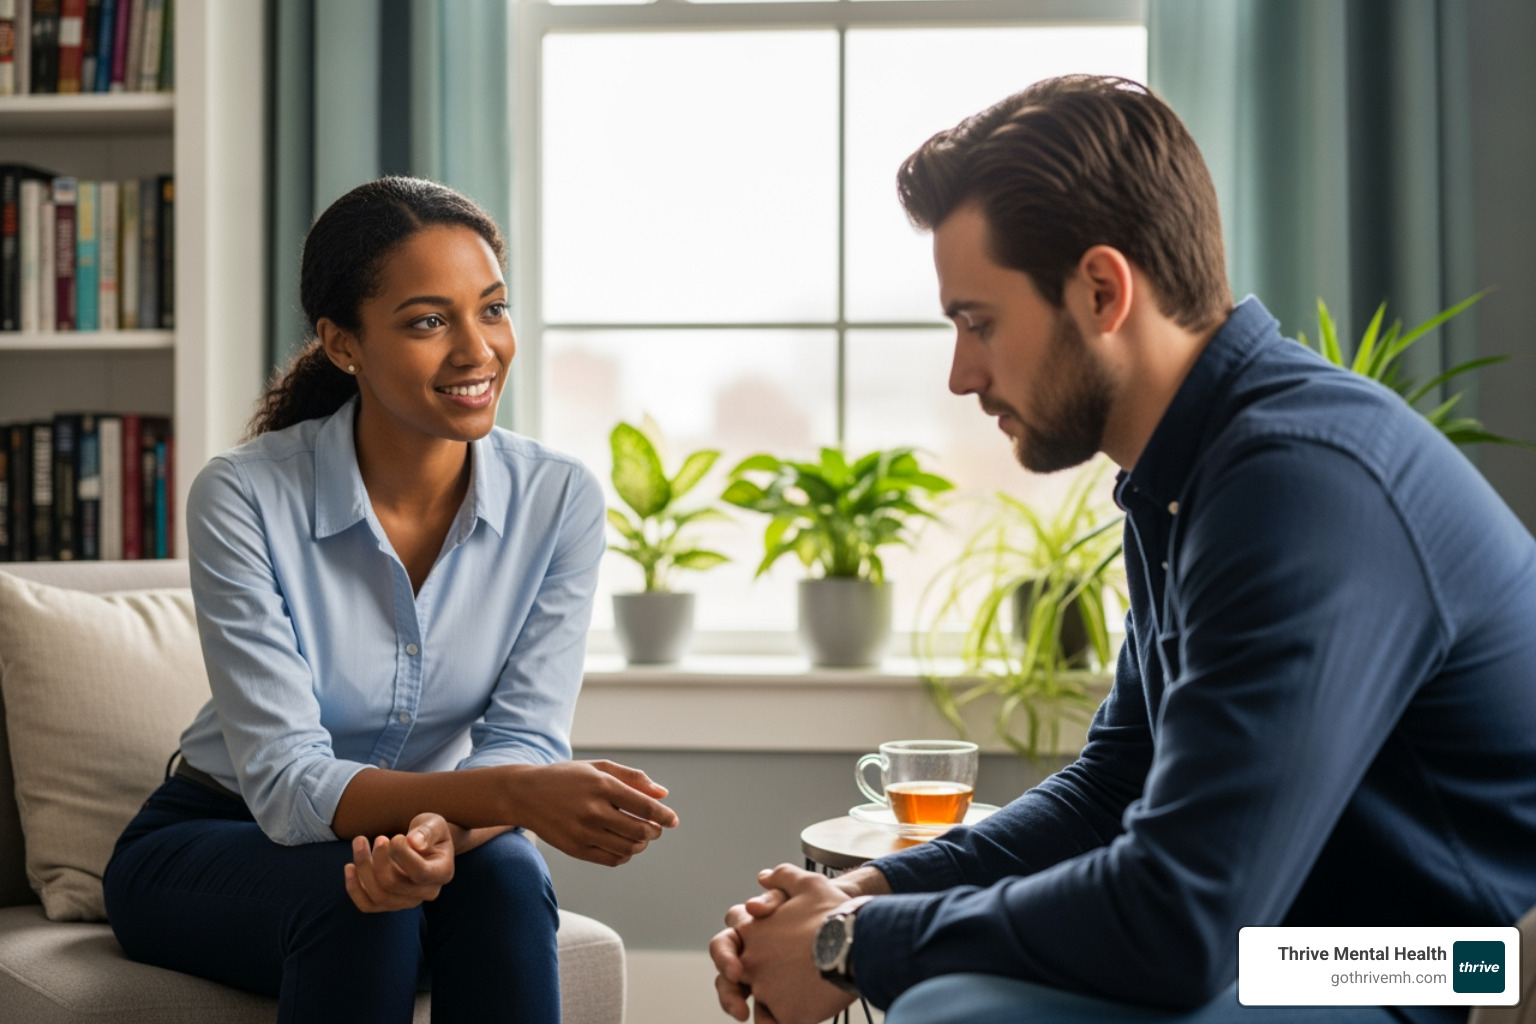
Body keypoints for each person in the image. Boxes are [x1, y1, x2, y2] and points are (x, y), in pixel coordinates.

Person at [709, 75, 1536, 1024]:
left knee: (960, 1012)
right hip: (1290, 939)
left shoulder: (1299, 479)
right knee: (950, 988)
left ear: (1102, 290)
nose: (961, 373)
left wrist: (848, 947)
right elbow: (1117, 781)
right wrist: (874, 893)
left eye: (978, 321)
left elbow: (1183, 918)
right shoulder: (1188, 473)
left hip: (1428, 964)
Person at [103, 177, 678, 1024]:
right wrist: (512, 801)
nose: (477, 350)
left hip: (431, 820)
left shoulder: (558, 501)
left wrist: (446, 829)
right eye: (427, 321)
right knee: (361, 902)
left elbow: (522, 738)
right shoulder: (244, 496)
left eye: (492, 308)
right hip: (217, 835)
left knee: (510, 879)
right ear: (343, 345)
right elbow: (290, 785)